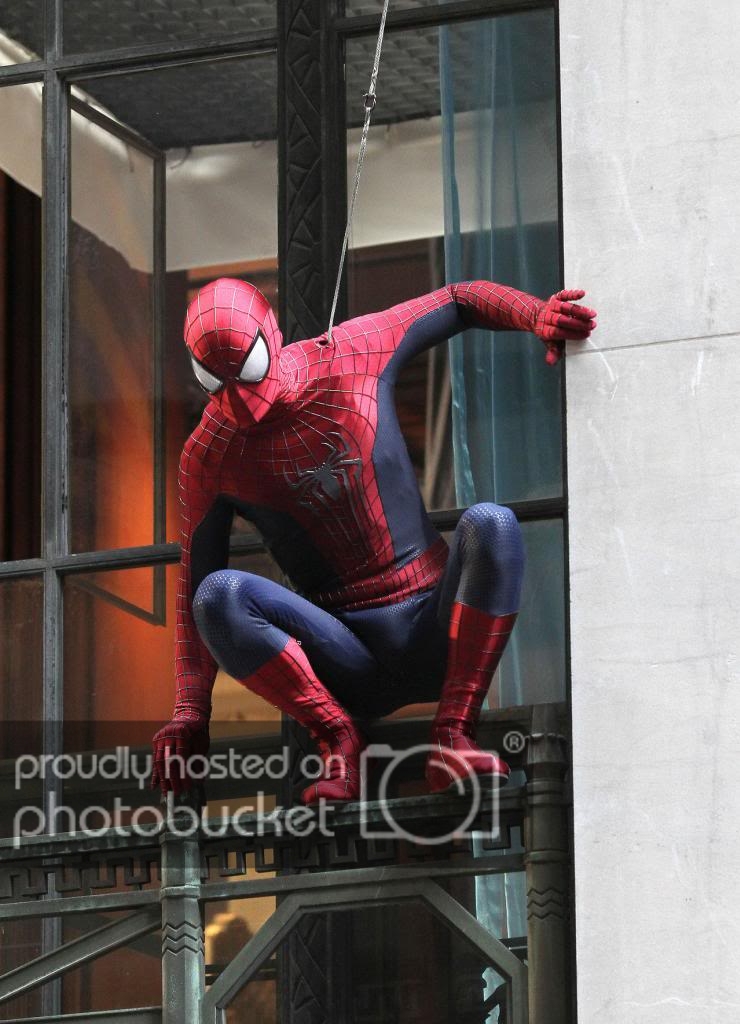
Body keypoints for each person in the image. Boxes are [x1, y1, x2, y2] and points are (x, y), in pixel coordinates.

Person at [151, 277, 596, 803]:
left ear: (272, 335)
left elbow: (456, 300)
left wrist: (534, 314)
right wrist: (189, 710)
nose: (241, 401)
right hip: (345, 657)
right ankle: (339, 741)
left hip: (436, 626)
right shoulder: (208, 455)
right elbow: (196, 588)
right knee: (217, 595)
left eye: (247, 369)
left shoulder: (351, 352)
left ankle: (454, 731)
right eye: (215, 381)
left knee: (491, 525)